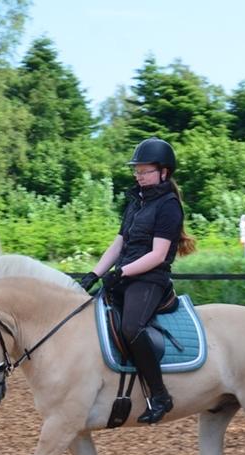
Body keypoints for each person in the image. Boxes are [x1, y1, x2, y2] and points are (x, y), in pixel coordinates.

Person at [80, 137, 196, 424]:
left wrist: (121, 272)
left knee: (131, 327)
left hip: (150, 279)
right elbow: (119, 243)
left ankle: (160, 395)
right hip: (127, 275)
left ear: (164, 172)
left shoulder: (169, 206)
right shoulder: (136, 202)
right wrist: (94, 274)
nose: (139, 175)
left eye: (145, 171)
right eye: (137, 171)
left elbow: (158, 255)